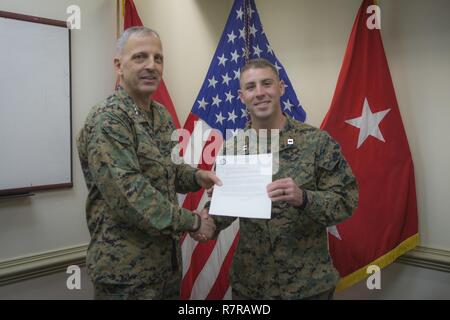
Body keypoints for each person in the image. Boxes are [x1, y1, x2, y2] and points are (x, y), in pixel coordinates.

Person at [76, 27, 219, 300]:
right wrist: (193, 222)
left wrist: (197, 176)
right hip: (126, 276)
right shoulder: (108, 119)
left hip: (164, 268)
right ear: (119, 65)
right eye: (141, 57)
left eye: (158, 58)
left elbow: (168, 169)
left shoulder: (160, 115)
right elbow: (130, 196)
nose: (152, 66)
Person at [200, 58, 359, 299]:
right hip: (252, 287)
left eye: (267, 84)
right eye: (251, 87)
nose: (260, 93)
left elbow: (346, 202)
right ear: (242, 96)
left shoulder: (316, 143)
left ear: (281, 88)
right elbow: (227, 208)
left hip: (308, 286)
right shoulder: (233, 148)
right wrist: (206, 221)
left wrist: (304, 198)